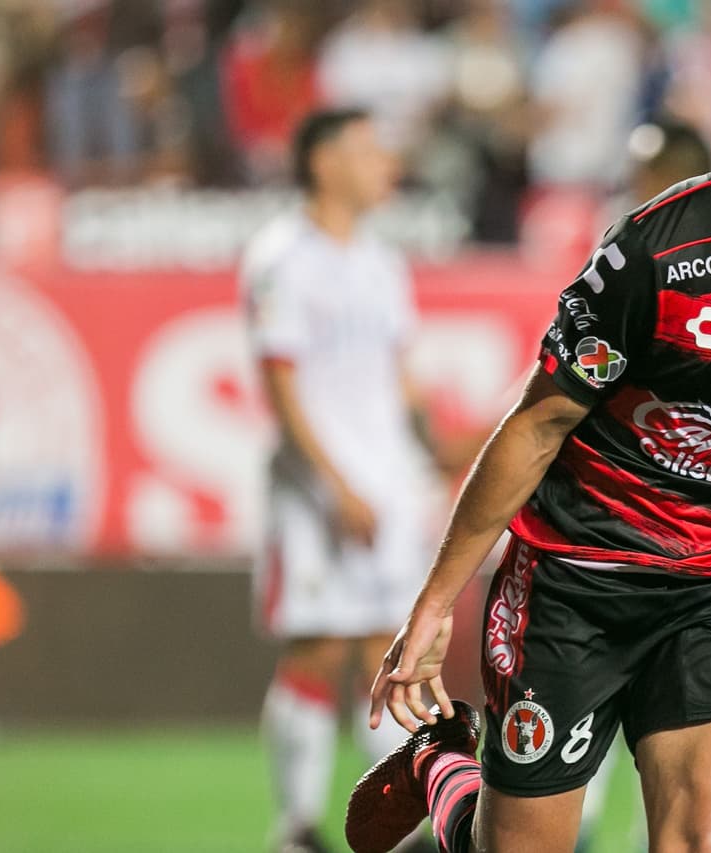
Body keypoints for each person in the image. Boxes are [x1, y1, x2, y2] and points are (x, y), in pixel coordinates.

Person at [354, 18, 711, 853]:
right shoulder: (660, 254)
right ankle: (449, 775)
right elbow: (538, 423)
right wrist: (437, 602)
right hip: (577, 581)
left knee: (703, 838)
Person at [241, 108, 436, 853]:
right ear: (322, 163)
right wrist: (332, 486)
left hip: (386, 487)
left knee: (386, 652)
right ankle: (295, 827)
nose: (384, 161)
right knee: (317, 648)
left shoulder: (383, 263)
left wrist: (440, 446)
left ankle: (385, 828)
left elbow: (402, 379)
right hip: (314, 496)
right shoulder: (283, 258)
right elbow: (280, 383)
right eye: (366, 148)